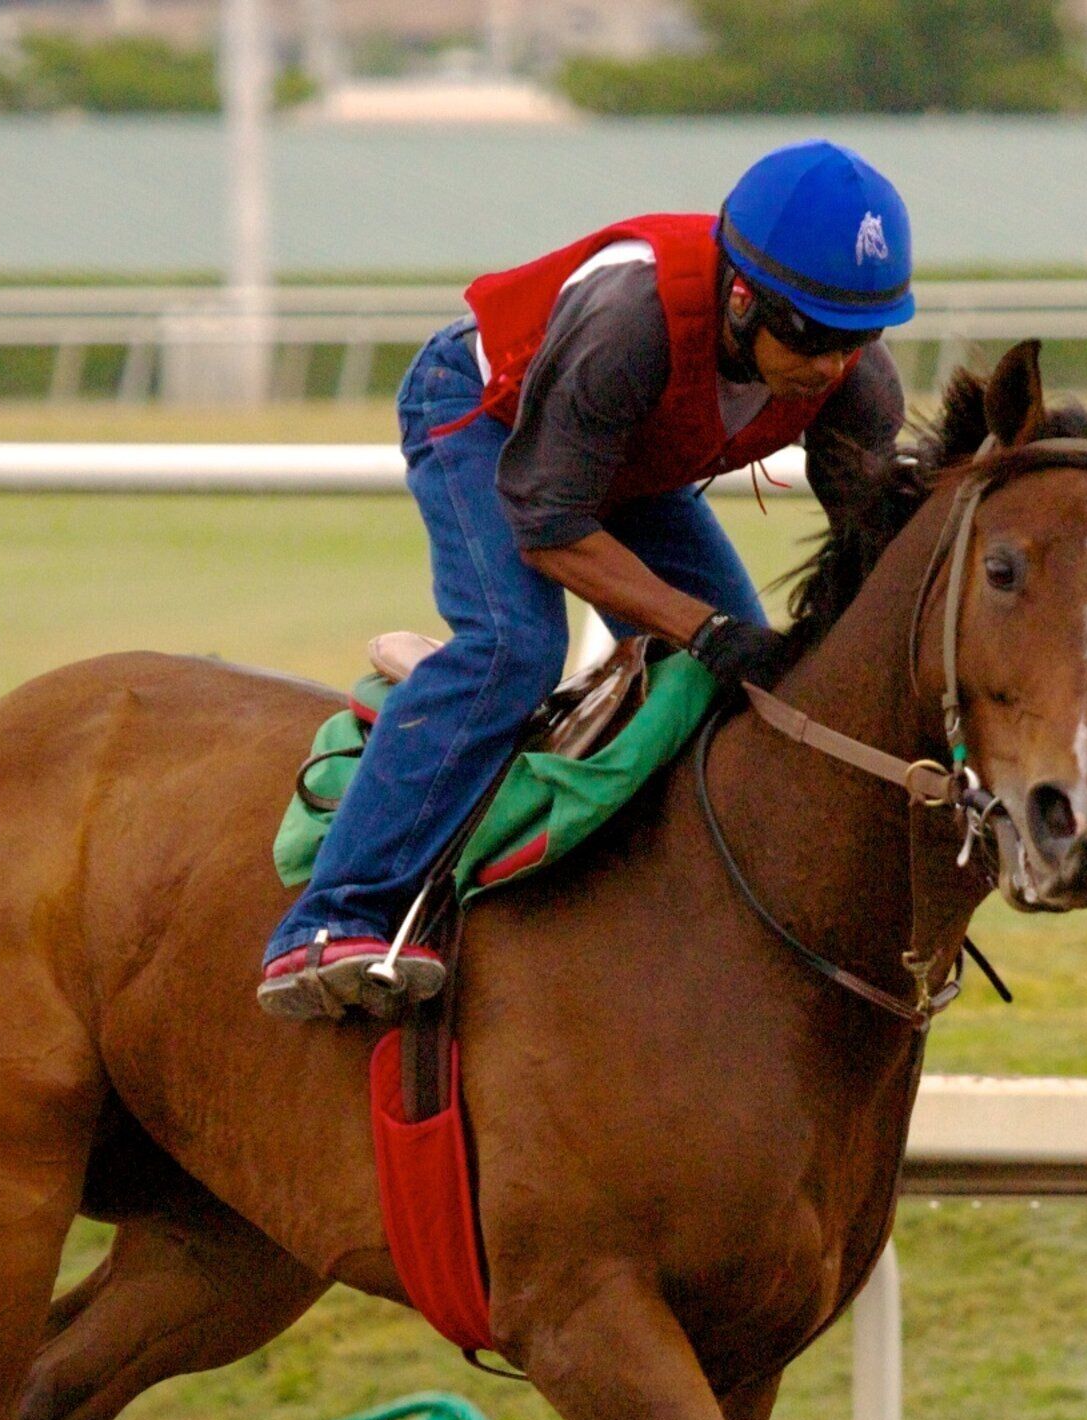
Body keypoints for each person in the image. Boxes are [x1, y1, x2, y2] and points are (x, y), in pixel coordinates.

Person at [258, 138, 918, 1022]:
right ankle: (331, 916)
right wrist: (702, 628)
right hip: (481, 411)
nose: (830, 368)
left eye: (858, 339)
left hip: (626, 459)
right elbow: (550, 525)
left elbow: (876, 556)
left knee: (747, 688)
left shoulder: (850, 380)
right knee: (514, 649)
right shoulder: (631, 321)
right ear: (741, 294)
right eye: (808, 334)